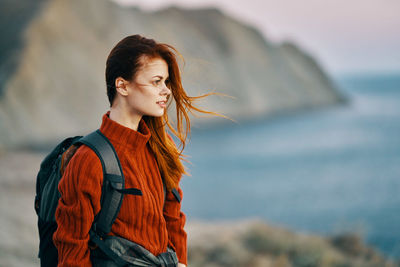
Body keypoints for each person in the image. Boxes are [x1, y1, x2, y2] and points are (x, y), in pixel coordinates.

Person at [52, 34, 229, 266]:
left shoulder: (161, 147)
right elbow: (71, 250)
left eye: (166, 82)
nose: (166, 90)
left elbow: (173, 221)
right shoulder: (89, 159)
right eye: (156, 81)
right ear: (122, 86)